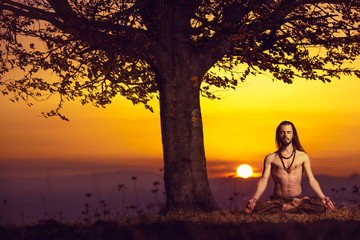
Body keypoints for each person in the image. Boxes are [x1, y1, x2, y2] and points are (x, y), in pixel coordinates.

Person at [246, 121, 335, 214]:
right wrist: (254, 199)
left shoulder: (303, 156)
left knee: (320, 206)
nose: (285, 135)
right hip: (278, 200)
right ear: (278, 135)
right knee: (257, 209)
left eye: (289, 132)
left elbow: (311, 179)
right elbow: (264, 180)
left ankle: (288, 207)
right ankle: (290, 207)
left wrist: (322, 197)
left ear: (293, 135)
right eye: (282, 132)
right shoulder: (271, 158)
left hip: (298, 198)